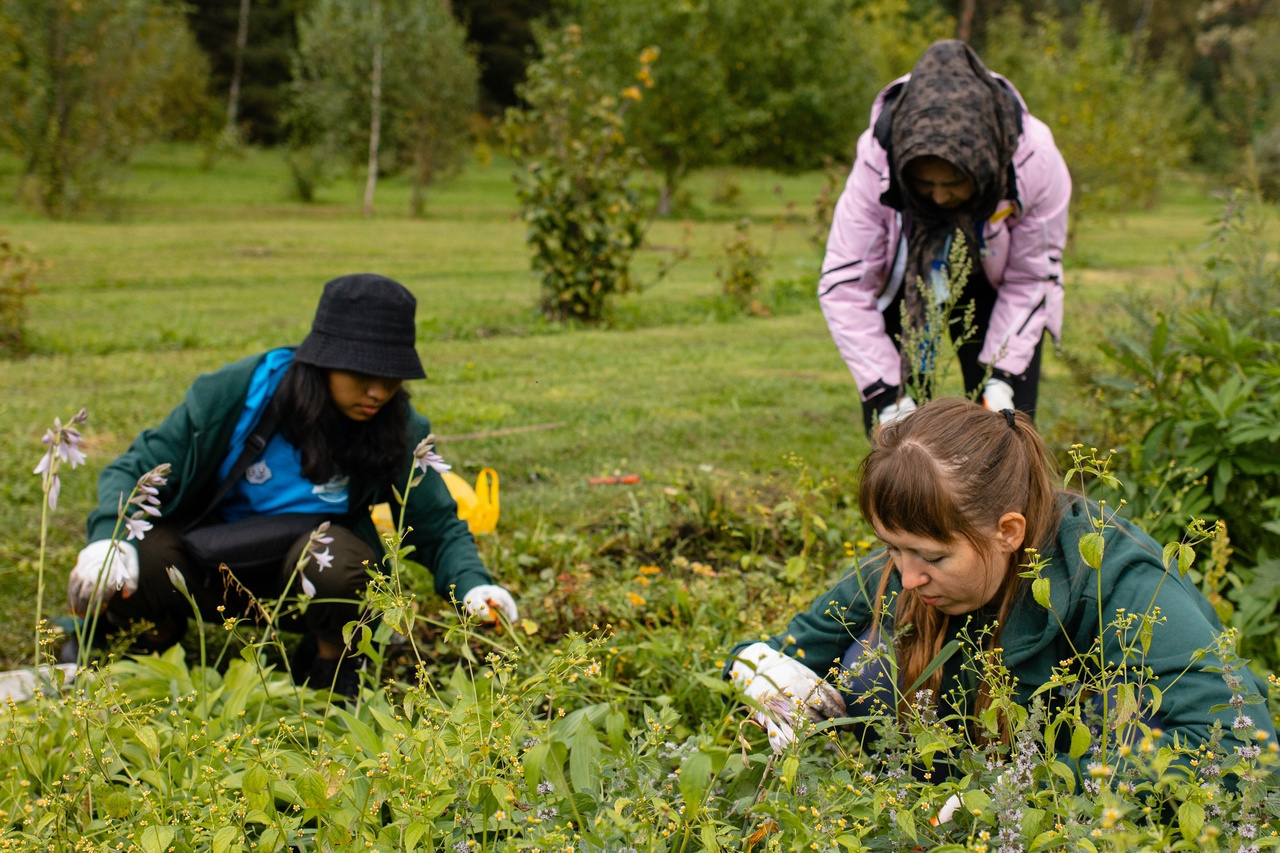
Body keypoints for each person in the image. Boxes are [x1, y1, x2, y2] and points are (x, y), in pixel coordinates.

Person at [726, 397, 1274, 778]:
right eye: (893, 547)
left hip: (1069, 790)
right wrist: (760, 670)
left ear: (1007, 532)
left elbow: (1244, 746)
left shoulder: (1115, 580)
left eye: (933, 556)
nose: (909, 576)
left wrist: (1022, 797)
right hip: (965, 777)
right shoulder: (906, 565)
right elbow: (780, 652)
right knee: (863, 657)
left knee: (1133, 718)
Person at [65, 273, 519, 694]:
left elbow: (436, 525)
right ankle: (148, 661)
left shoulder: (397, 428)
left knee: (337, 563)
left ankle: (332, 669)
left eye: (391, 376)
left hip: (308, 570)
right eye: (363, 374)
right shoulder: (237, 395)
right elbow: (133, 470)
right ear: (323, 362)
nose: (378, 392)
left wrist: (474, 585)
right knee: (142, 557)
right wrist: (109, 539)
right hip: (206, 556)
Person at [818, 40, 1071, 434]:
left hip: (997, 283)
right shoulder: (879, 156)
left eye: (953, 183)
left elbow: (1032, 276)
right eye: (923, 183)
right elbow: (844, 283)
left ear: (983, 166)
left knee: (1007, 432)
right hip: (909, 282)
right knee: (902, 444)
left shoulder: (1034, 159)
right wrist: (888, 398)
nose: (938, 196)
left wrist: (1001, 377)